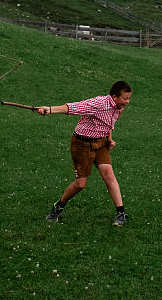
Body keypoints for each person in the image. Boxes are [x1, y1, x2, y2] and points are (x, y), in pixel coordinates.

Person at [39, 80, 132, 226]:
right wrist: (50, 109)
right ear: (114, 97)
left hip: (101, 143)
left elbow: (109, 123)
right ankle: (58, 206)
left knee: (108, 174)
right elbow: (72, 107)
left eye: (128, 98)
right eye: (125, 98)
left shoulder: (119, 107)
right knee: (80, 184)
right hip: (82, 144)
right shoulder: (99, 103)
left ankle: (121, 213)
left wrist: (109, 139)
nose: (127, 102)